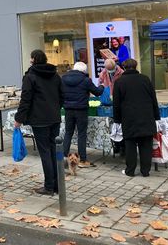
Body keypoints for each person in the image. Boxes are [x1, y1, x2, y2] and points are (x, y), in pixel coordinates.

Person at [14, 50, 63, 196]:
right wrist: (55, 109)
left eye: (31, 58)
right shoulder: (55, 75)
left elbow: (26, 99)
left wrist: (19, 118)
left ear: (34, 59)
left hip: (39, 119)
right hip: (54, 118)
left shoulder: (30, 77)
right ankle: (57, 185)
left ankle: (49, 186)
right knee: (54, 150)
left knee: (45, 152)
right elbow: (62, 96)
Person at [113, 58, 159, 177]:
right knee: (146, 145)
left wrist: (117, 119)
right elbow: (153, 99)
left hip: (129, 118)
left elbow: (116, 103)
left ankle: (130, 170)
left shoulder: (119, 82)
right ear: (136, 66)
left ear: (124, 68)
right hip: (146, 116)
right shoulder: (145, 79)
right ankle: (145, 171)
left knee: (130, 145)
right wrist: (156, 116)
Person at [61, 62, 104, 168]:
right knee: (81, 134)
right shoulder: (86, 80)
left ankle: (62, 157)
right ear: (84, 71)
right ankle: (82, 159)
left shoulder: (63, 79)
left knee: (68, 133)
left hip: (68, 110)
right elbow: (97, 92)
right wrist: (102, 86)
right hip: (81, 110)